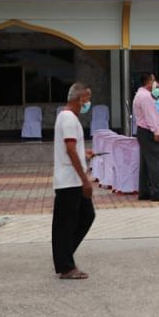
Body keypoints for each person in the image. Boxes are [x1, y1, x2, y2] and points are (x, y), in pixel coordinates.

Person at [52, 82, 96, 280]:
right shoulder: (69, 118)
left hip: (71, 179)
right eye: (87, 99)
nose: (88, 103)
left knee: (86, 215)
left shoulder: (65, 117)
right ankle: (66, 265)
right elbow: (69, 149)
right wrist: (85, 180)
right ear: (79, 99)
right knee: (66, 223)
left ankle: (65, 255)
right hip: (70, 180)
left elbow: (72, 148)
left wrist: (83, 153)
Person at [133, 73, 159, 201]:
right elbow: (151, 117)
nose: (155, 83)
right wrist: (157, 132)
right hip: (148, 131)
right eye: (154, 80)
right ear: (149, 82)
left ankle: (144, 191)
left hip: (142, 131)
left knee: (145, 163)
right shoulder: (146, 97)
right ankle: (156, 191)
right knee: (155, 162)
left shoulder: (140, 94)